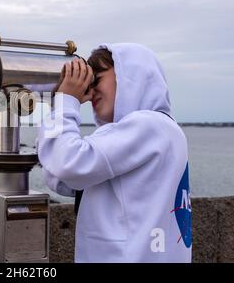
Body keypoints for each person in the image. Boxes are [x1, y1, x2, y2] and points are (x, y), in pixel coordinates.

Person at [37, 43, 192, 262]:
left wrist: (65, 102)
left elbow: (68, 163)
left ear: (130, 76)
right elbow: (62, 177)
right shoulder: (160, 130)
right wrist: (60, 106)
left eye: (96, 79)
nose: (90, 93)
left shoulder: (150, 125)